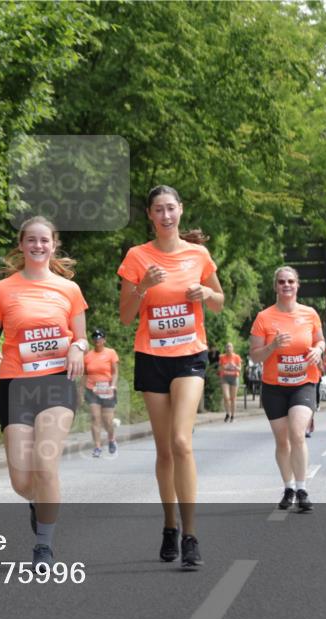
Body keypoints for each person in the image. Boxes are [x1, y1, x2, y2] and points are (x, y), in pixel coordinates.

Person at [118, 184, 224, 568]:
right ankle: (169, 526)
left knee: (182, 441)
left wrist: (205, 295)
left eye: (171, 209)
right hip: (152, 357)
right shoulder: (136, 257)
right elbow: (126, 316)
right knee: (164, 450)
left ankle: (192, 535)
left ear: (181, 210)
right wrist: (143, 287)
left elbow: (219, 301)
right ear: (150, 215)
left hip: (189, 355)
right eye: (158, 210)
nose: (165, 216)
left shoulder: (198, 254)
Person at [0, 216, 87, 569]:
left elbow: (81, 336)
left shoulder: (69, 289)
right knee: (22, 479)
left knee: (45, 462)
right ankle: (37, 504)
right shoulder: (4, 289)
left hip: (56, 382)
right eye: (32, 241)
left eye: (45, 240)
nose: (38, 246)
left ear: (53, 245)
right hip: (15, 384)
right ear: (22, 245)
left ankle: (44, 545)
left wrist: (78, 348)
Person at [249, 266, 324, 513]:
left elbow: (320, 339)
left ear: (297, 285)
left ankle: (302, 489)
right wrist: (273, 347)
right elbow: (255, 355)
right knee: (282, 441)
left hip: (304, 382)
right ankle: (288, 487)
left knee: (297, 433)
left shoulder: (310, 313)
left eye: (291, 281)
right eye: (281, 282)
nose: (286, 285)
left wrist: (318, 350)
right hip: (274, 387)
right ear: (276, 286)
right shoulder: (264, 318)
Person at [84, 329, 120, 457]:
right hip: (92, 389)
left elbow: (115, 372)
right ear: (92, 340)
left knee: (108, 421)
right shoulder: (87, 355)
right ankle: (97, 447)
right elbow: (85, 374)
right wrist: (82, 389)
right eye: (95, 338)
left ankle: (111, 439)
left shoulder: (111, 353)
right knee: (95, 418)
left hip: (107, 389)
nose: (97, 340)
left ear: (104, 340)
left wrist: (113, 386)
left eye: (100, 338)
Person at [219, 342, 242, 423]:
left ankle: (232, 416)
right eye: (227, 347)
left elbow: (239, 369)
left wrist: (234, 366)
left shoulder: (237, 357)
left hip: (234, 378)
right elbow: (220, 368)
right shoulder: (222, 357)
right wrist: (225, 366)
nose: (228, 348)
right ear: (225, 349)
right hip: (225, 378)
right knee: (226, 397)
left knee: (233, 398)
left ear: (232, 348)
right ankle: (227, 413)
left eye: (230, 347)